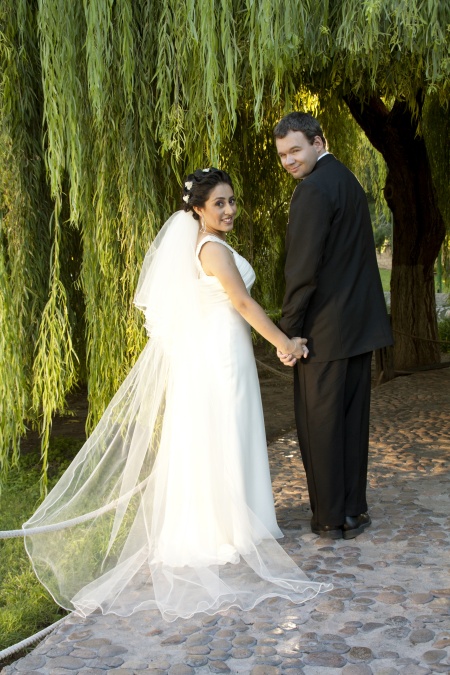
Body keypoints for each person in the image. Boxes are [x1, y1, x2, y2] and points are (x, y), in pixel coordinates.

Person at [24, 167, 331, 621]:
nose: (228, 210)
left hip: (215, 349)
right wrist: (284, 343)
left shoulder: (199, 244)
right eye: (218, 204)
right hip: (222, 353)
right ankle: (225, 530)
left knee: (219, 431)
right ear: (198, 209)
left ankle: (228, 522)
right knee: (227, 428)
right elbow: (243, 303)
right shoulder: (210, 249)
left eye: (231, 201)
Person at [274, 112, 393, 540]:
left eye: (295, 150)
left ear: (318, 142)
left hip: (323, 334)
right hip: (359, 330)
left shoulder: (313, 190)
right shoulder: (348, 181)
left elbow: (302, 271)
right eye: (283, 155)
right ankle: (353, 511)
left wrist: (288, 331)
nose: (288, 161)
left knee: (319, 426)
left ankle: (329, 518)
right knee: (350, 425)